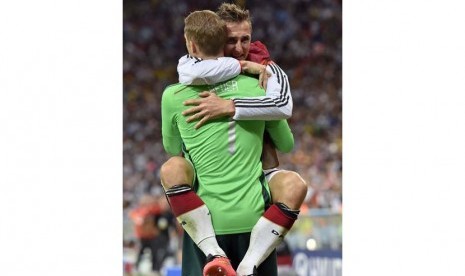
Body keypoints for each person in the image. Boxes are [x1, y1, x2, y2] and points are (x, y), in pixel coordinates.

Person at [173, 3, 308, 275]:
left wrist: (229, 105)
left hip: (208, 204)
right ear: (215, 39)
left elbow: (173, 146)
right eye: (230, 40)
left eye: (244, 39)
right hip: (250, 202)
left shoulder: (185, 85)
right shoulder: (252, 78)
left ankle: (239, 264)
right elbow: (286, 143)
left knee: (173, 167)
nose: (238, 47)